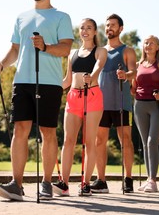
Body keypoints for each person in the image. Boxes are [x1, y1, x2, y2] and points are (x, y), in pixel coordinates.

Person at [0, 0, 74, 201]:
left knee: (47, 132)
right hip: (22, 81)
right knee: (20, 130)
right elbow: (15, 50)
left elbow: (66, 48)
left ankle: (46, 182)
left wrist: (45, 47)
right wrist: (2, 65)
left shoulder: (61, 17)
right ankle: (16, 184)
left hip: (49, 83)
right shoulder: (21, 17)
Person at [52, 18, 107, 196]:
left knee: (89, 141)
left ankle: (85, 184)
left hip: (92, 96)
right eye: (82, 28)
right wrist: (51, 89)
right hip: (73, 97)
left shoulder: (100, 51)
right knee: (68, 140)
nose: (85, 31)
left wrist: (93, 75)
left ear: (94, 32)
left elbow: (99, 66)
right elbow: (67, 80)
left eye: (89, 28)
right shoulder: (72, 53)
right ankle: (64, 184)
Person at [90, 14, 137, 194]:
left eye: (113, 25)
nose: (109, 27)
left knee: (125, 140)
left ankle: (128, 178)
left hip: (121, 102)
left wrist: (126, 75)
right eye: (107, 25)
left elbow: (134, 70)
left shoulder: (127, 50)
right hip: (101, 103)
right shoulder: (99, 50)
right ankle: (101, 180)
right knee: (99, 140)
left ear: (121, 28)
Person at [131, 35, 159, 192]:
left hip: (156, 106)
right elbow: (133, 88)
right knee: (144, 143)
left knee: (151, 142)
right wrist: (130, 85)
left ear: (157, 47)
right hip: (139, 105)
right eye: (146, 43)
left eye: (152, 43)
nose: (148, 45)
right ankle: (149, 179)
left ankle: (153, 180)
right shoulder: (138, 65)